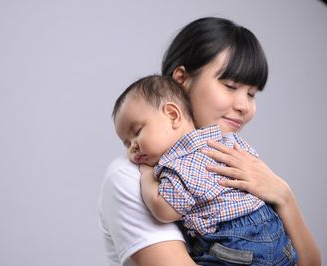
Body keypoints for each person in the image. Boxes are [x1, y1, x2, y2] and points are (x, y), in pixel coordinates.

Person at [98, 17, 321, 266]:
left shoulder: (237, 160)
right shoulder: (131, 177)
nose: (244, 106)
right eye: (230, 85)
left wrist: (284, 195)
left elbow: (310, 262)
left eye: (251, 94)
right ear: (181, 78)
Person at [112, 75, 297, 265]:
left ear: (173, 115)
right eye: (126, 143)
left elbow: (164, 211)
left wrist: (147, 177)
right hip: (279, 237)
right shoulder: (226, 141)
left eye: (137, 132)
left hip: (236, 245)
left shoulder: (178, 163)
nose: (132, 147)